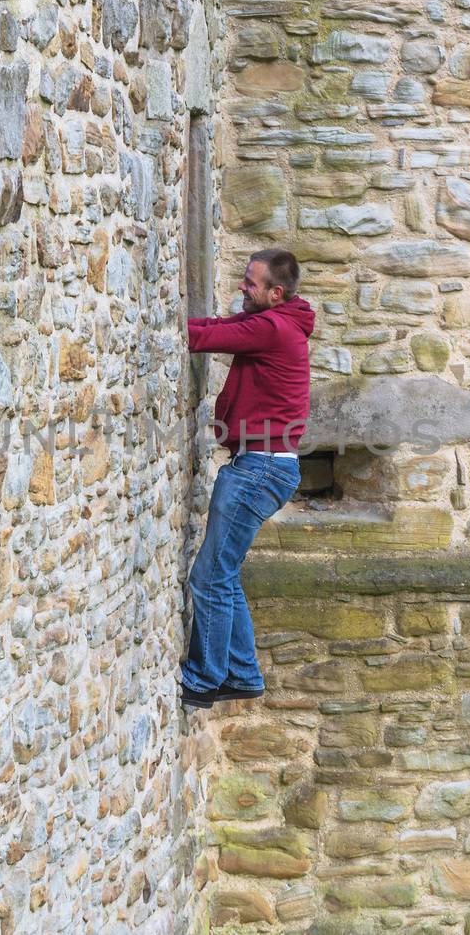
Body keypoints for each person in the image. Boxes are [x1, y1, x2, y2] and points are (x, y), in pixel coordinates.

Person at [179, 248, 314, 709]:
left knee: (209, 577)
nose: (243, 286)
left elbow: (208, 337)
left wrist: (173, 327)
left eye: (251, 283)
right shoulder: (280, 323)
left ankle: (205, 679)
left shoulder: (274, 328)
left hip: (260, 468)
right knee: (226, 573)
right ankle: (242, 673)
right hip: (265, 465)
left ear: (276, 294)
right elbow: (224, 327)